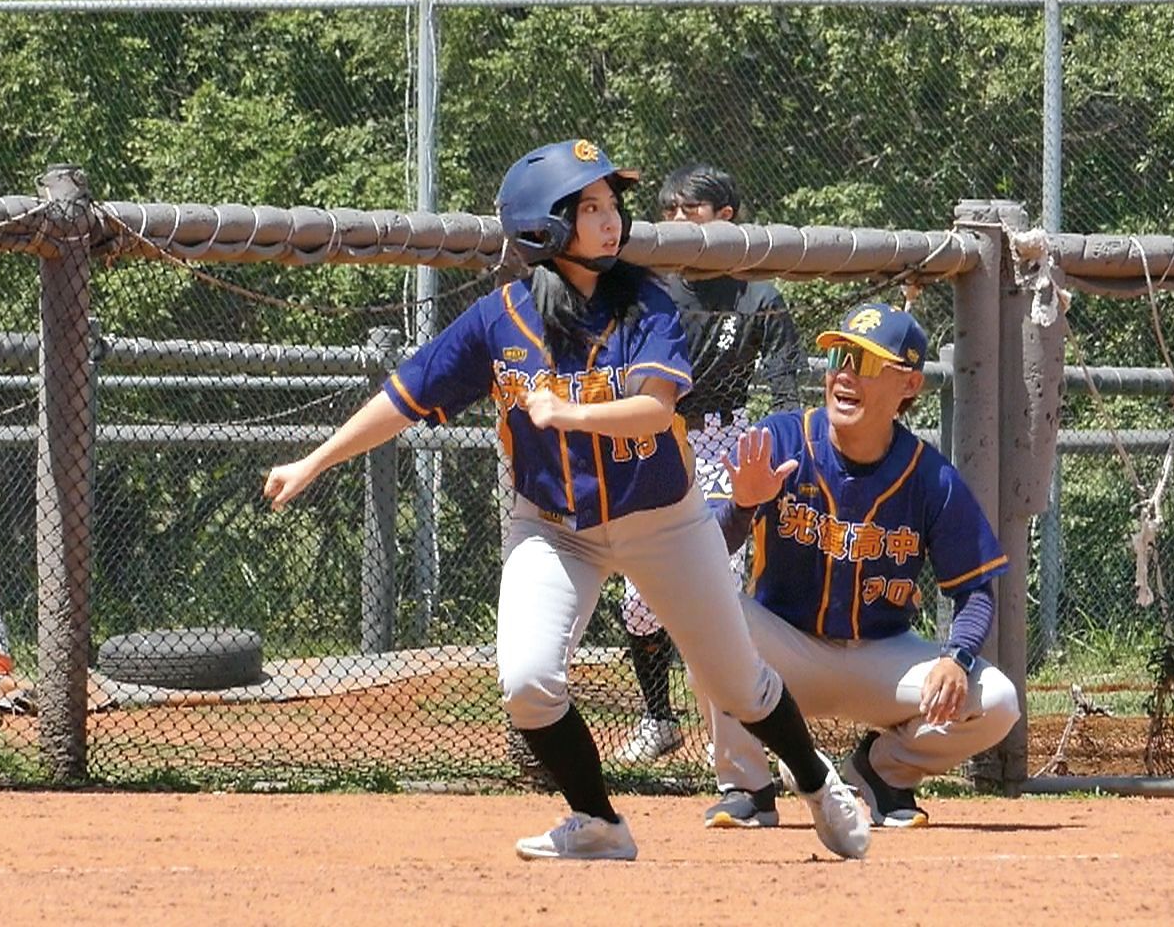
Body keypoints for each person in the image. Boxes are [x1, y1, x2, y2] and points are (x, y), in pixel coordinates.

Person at [263, 139, 869, 862]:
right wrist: (313, 460)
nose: (611, 220)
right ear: (543, 225)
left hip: (662, 520)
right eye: (589, 207)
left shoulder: (647, 299)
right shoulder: (501, 320)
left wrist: (568, 413)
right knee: (527, 683)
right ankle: (599, 822)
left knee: (737, 684)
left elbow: (653, 408)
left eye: (612, 205)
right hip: (553, 528)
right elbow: (406, 395)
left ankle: (814, 778)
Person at [697, 301, 1022, 829]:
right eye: (839, 358)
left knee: (999, 701)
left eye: (866, 363)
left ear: (909, 387)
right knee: (702, 607)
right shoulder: (781, 439)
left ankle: (882, 771)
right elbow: (701, 554)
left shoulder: (930, 477)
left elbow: (976, 589)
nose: (845, 374)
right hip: (783, 651)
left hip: (880, 661)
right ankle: (748, 785)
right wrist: (741, 507)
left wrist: (956, 659)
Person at [611, 164, 809, 764]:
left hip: (726, 441)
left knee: (718, 587)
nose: (675, 222)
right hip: (657, 439)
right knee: (639, 598)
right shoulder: (651, 288)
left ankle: (735, 725)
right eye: (667, 211)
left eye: (689, 211)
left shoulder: (758, 295)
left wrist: (784, 453)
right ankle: (659, 719)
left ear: (726, 218)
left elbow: (785, 391)